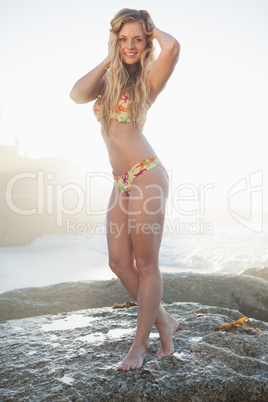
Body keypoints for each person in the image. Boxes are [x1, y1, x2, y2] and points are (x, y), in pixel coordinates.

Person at [70, 8, 180, 371]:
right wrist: (109, 57)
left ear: (146, 41)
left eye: (137, 39)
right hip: (121, 181)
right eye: (123, 39)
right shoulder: (108, 82)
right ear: (115, 42)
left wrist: (152, 30)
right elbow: (76, 94)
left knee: (146, 265)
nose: (130, 46)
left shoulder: (147, 81)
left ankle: (140, 347)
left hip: (146, 174)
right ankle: (164, 320)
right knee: (118, 262)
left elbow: (174, 47)